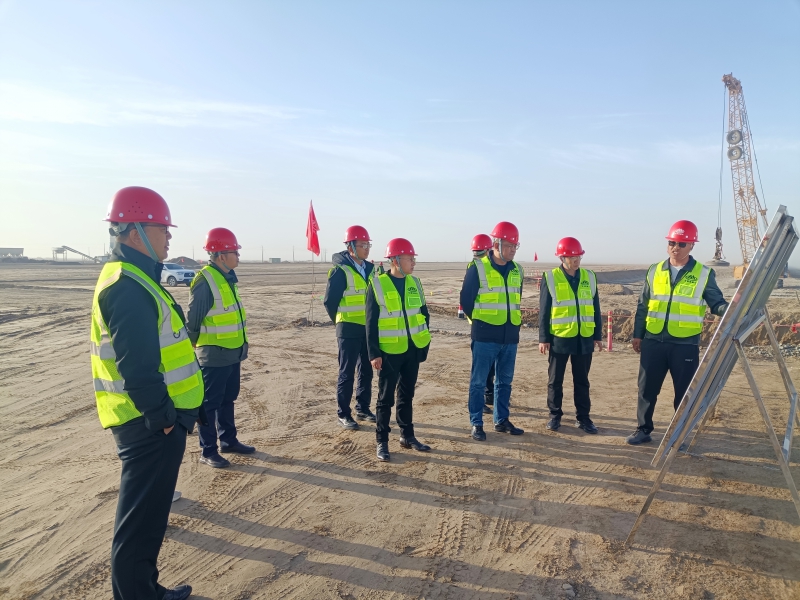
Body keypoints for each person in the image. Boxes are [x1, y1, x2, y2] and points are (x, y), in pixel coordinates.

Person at [91, 186, 201, 600]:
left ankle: (145, 589)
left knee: (150, 518)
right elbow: (136, 366)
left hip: (154, 422)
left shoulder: (137, 277)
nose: (169, 237)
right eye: (162, 229)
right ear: (134, 232)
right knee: (139, 524)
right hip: (148, 425)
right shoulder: (127, 285)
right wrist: (164, 419)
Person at [626, 220, 728, 445]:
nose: (676, 247)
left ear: (691, 245)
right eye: (672, 242)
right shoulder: (654, 270)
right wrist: (638, 335)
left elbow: (716, 303)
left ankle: (678, 436)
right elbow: (643, 305)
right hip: (653, 340)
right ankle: (643, 429)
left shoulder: (704, 273)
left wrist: (731, 309)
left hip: (684, 344)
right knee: (646, 389)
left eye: (682, 244)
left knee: (683, 394)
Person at [187, 227, 254, 468]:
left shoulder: (227, 278)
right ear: (221, 255)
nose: (238, 256)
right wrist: (193, 347)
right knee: (209, 404)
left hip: (232, 352)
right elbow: (193, 320)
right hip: (213, 354)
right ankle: (208, 450)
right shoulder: (205, 280)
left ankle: (228, 440)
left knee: (228, 399)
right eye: (234, 252)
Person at [366, 238, 431, 461]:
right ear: (395, 260)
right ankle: (382, 442)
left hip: (412, 349)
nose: (413, 262)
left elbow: (424, 315)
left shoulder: (416, 283)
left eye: (413, 258)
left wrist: (423, 342)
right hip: (389, 352)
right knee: (385, 399)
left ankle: (407, 436)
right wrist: (374, 353)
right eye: (409, 258)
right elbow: (370, 322)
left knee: (407, 395)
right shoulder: (377, 284)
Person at [459, 221, 525, 441]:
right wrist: (481, 323)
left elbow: (515, 299)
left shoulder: (517, 270)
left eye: (515, 246)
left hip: (510, 336)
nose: (513, 250)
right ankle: (476, 423)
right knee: (478, 382)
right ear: (496, 244)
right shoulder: (478, 268)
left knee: (504, 382)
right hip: (485, 336)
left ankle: (501, 420)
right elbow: (466, 301)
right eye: (509, 245)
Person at [539, 237, 603, 434]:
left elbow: (595, 307)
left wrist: (597, 335)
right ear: (562, 258)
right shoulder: (550, 277)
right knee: (555, 380)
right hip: (560, 338)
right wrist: (544, 338)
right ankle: (554, 416)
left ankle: (583, 418)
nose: (576, 261)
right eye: (572, 257)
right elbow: (544, 310)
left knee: (582, 381)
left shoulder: (589, 277)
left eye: (579, 257)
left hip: (584, 338)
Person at [323, 225, 376, 430]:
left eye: (368, 245)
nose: (366, 249)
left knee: (367, 371)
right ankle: (343, 414)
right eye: (363, 245)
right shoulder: (340, 271)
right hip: (348, 329)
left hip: (368, 329)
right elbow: (330, 302)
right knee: (347, 372)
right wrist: (340, 322)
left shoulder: (371, 269)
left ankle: (363, 408)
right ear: (351, 247)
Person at [469, 234, 496, 415]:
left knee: (491, 366)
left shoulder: (490, 267)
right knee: (480, 369)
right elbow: (467, 299)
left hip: (493, 324)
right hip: (481, 326)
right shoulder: (475, 268)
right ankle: (479, 400)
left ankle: (489, 393)